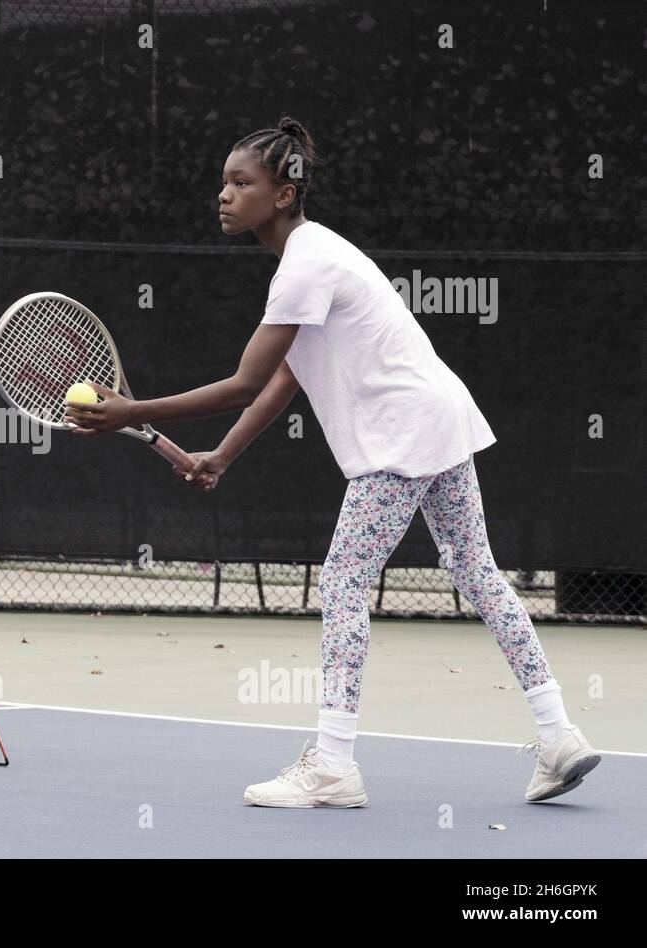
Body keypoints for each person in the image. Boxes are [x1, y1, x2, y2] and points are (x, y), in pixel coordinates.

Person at [64, 116, 600, 806]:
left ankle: (334, 763)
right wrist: (223, 455)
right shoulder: (315, 257)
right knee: (477, 570)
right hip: (440, 415)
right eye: (223, 182)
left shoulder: (306, 263)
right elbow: (287, 377)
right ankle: (558, 733)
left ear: (283, 194)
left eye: (240, 182)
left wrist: (128, 413)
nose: (223, 195)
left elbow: (243, 383)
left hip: (402, 433)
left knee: (345, 579)